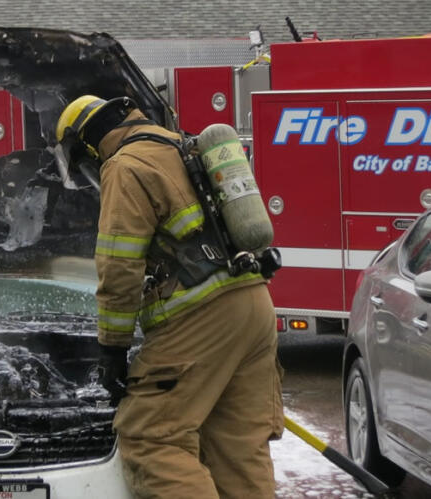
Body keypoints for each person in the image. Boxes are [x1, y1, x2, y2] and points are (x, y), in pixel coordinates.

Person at [56, 95, 284, 499]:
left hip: (203, 317)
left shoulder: (125, 166)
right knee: (237, 449)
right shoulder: (181, 145)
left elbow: (119, 266)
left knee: (151, 437)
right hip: (252, 304)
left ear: (87, 144)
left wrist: (112, 349)